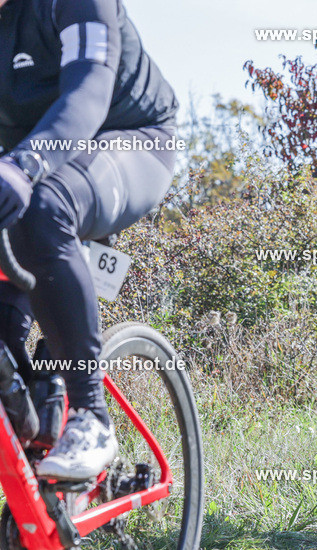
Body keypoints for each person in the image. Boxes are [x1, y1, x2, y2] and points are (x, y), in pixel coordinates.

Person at [0, 0, 178, 481]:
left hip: (129, 139)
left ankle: (91, 416)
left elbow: (87, 93)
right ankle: (37, 430)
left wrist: (24, 168)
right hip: (25, 154)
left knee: (42, 207)